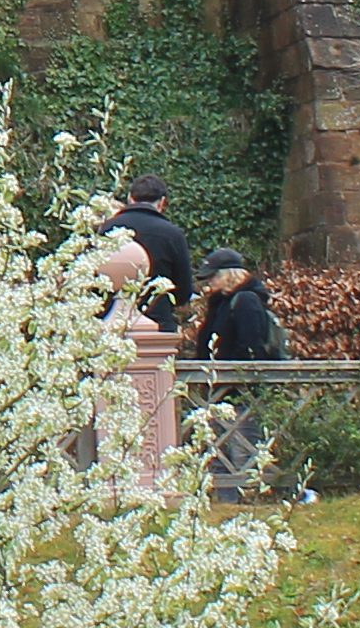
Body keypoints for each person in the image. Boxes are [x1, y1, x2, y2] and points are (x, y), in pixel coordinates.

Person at [182, 249, 298, 503]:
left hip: (241, 390)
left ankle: (249, 499)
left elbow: (250, 346)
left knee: (244, 445)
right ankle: (226, 500)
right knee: (218, 447)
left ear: (228, 275)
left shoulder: (246, 301)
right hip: (220, 388)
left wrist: (232, 375)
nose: (208, 283)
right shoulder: (221, 303)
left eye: (213, 277)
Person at [97, 176, 193, 323]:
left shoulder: (107, 229)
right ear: (162, 202)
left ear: (130, 198)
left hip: (112, 318)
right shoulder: (172, 234)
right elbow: (183, 289)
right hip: (158, 319)